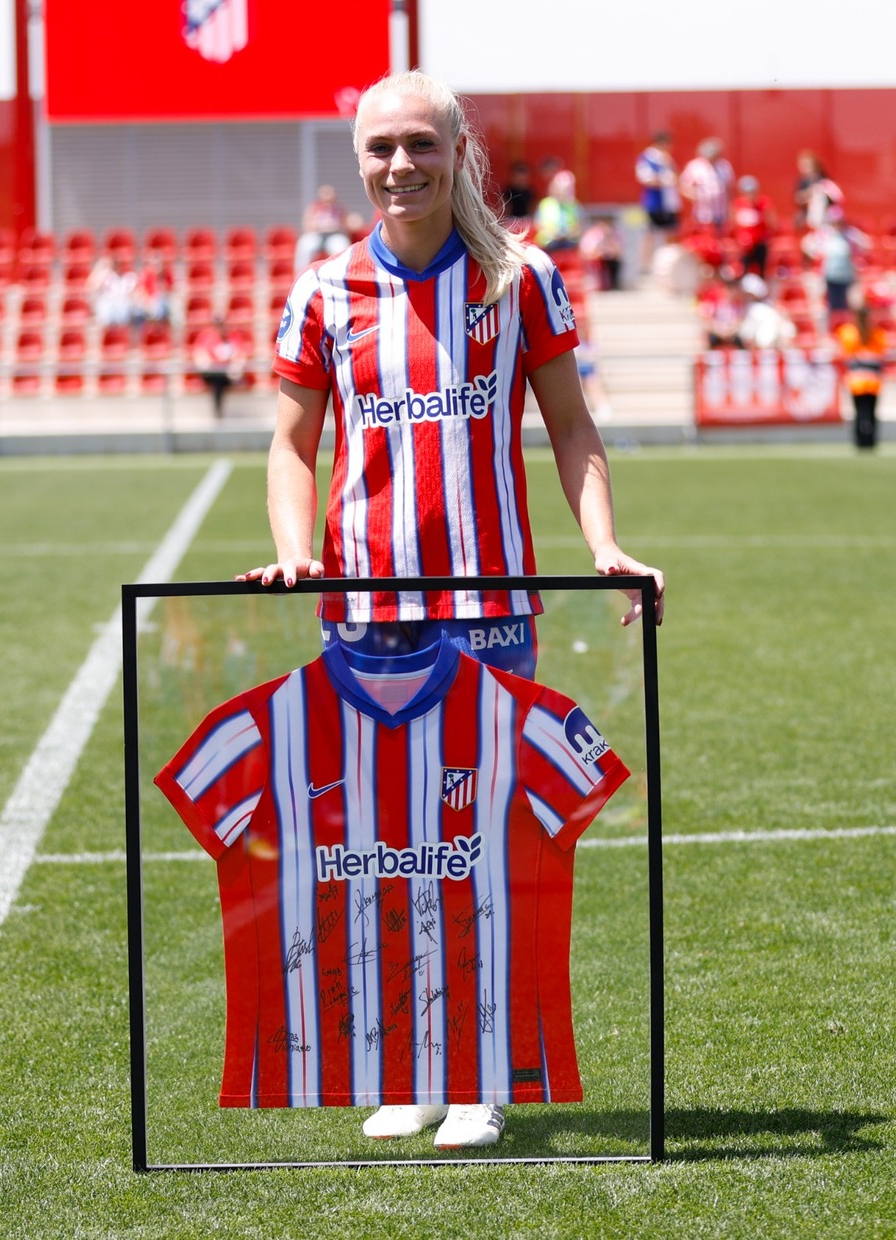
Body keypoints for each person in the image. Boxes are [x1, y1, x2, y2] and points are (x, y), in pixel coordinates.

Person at [236, 68, 664, 1151]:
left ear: (457, 149)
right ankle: (407, 1065)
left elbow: (571, 429)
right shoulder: (323, 291)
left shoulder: (518, 280)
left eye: (419, 144)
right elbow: (291, 443)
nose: (398, 167)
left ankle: (478, 1071)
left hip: (488, 610)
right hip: (365, 612)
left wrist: (603, 546)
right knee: (380, 845)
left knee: (476, 842)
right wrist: (296, 555)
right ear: (357, 158)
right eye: (380, 147)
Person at [834, 286, 893, 449]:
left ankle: (864, 441)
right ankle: (866, 441)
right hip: (864, 380)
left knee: (863, 411)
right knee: (866, 411)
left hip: (863, 380)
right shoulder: (853, 333)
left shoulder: (868, 333)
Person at [635, 131, 681, 272]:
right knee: (649, 233)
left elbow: (675, 176)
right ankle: (645, 266)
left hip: (669, 202)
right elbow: (646, 178)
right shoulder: (647, 158)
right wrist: (664, 179)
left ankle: (669, 266)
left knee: (671, 233)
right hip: (654, 202)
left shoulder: (667, 159)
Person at [191, 317, 247, 416]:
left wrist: (235, 366)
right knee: (217, 380)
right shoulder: (206, 337)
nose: (220, 327)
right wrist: (206, 363)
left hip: (228, 374)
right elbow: (200, 355)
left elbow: (240, 355)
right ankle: (218, 413)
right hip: (212, 373)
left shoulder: (233, 337)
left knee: (220, 381)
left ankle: (219, 413)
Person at [679, 137, 734, 236]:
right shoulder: (695, 166)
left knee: (721, 240)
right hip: (703, 214)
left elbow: (729, 188)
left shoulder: (724, 166)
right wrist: (697, 196)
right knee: (704, 240)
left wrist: (730, 209)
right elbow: (684, 186)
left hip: (721, 213)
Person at [294, 184, 351, 273]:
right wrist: (317, 225)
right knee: (305, 245)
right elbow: (307, 226)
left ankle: (341, 274)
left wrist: (338, 225)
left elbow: (345, 226)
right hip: (316, 235)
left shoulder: (339, 209)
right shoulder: (313, 208)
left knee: (342, 246)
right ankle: (301, 274)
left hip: (334, 235)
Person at [736, 273, 796, 350]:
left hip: (771, 349)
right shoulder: (750, 308)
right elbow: (746, 337)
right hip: (757, 350)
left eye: (750, 295)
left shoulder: (762, 309)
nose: (748, 297)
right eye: (746, 294)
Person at [730, 175, 775, 277]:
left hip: (760, 243)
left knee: (761, 271)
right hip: (744, 246)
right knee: (744, 271)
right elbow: (734, 223)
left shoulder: (763, 203)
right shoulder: (737, 204)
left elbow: (771, 221)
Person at [534, 169, 585, 253]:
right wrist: (553, 234)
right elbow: (538, 225)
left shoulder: (574, 205)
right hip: (548, 245)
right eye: (562, 188)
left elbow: (580, 227)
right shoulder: (545, 204)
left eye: (568, 188)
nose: (565, 192)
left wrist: (570, 233)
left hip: (569, 244)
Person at [500, 160, 537, 225]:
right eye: (518, 179)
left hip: (526, 220)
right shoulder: (508, 191)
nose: (521, 182)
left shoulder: (530, 192)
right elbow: (506, 210)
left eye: (523, 180)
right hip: (511, 220)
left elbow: (532, 209)